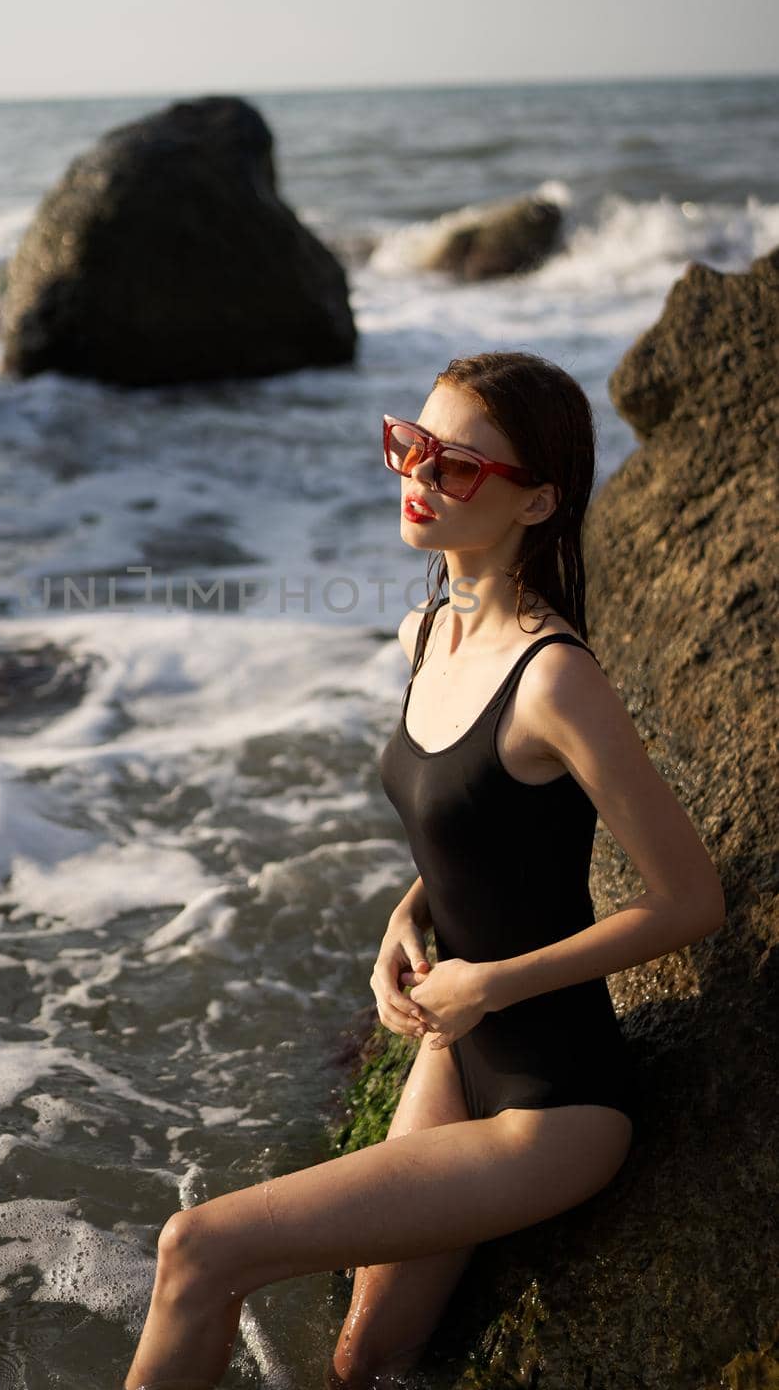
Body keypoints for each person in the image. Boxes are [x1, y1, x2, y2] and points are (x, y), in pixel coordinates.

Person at [123, 350, 726, 1390]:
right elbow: (479, 830)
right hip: (458, 1052)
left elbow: (689, 899)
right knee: (363, 1359)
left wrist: (488, 981)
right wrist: (405, 918)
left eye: (454, 467)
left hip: (554, 1101)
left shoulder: (554, 680)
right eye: (411, 443)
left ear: (536, 501)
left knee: (196, 1247)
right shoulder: (427, 630)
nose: (417, 474)